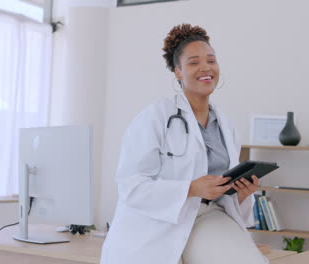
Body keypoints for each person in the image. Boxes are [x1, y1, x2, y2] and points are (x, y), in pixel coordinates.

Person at [100, 24, 268, 264]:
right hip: (155, 221)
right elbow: (132, 187)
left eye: (211, 60)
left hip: (207, 216)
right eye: (193, 62)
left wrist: (241, 194)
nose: (205, 68)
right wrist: (190, 188)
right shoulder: (155, 117)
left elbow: (223, 194)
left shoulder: (226, 126)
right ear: (178, 71)